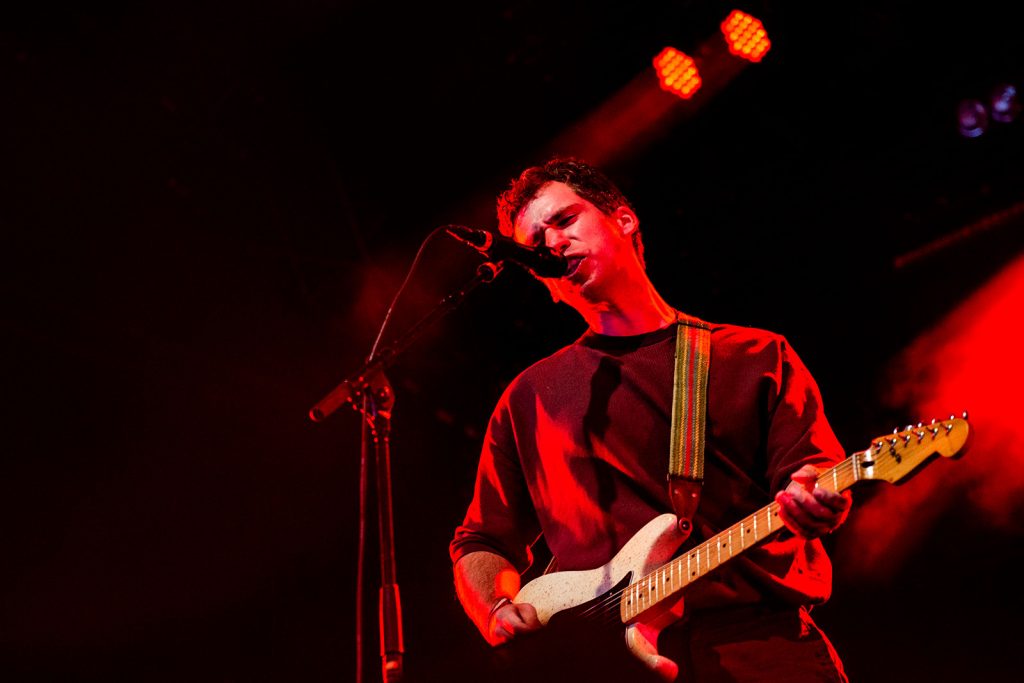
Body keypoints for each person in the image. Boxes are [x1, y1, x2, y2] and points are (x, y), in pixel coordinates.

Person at [449, 157, 851, 682]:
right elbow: (481, 541)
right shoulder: (530, 396)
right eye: (536, 244)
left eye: (565, 221)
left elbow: (814, 471)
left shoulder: (754, 356)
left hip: (758, 646)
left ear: (623, 219)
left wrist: (813, 496)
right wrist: (496, 609)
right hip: (606, 667)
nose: (551, 244)